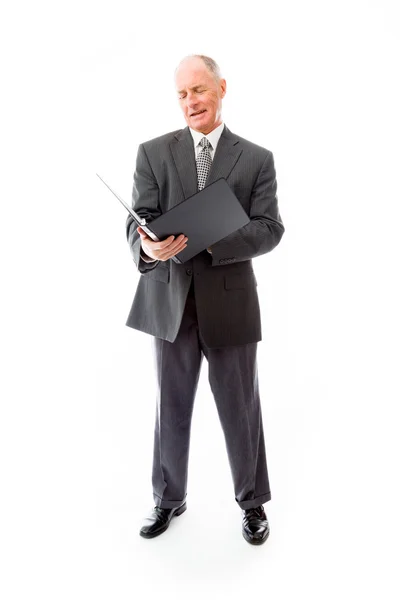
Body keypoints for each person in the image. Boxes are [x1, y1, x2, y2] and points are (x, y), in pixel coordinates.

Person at [125, 54, 284, 545]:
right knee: (171, 406)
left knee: (240, 407)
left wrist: (214, 238)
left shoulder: (256, 158)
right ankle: (168, 498)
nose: (191, 101)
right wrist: (147, 245)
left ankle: (252, 503)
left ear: (221, 88)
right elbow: (138, 220)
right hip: (170, 302)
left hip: (231, 301)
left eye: (199, 90)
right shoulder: (152, 153)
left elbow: (270, 228)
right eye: (182, 94)